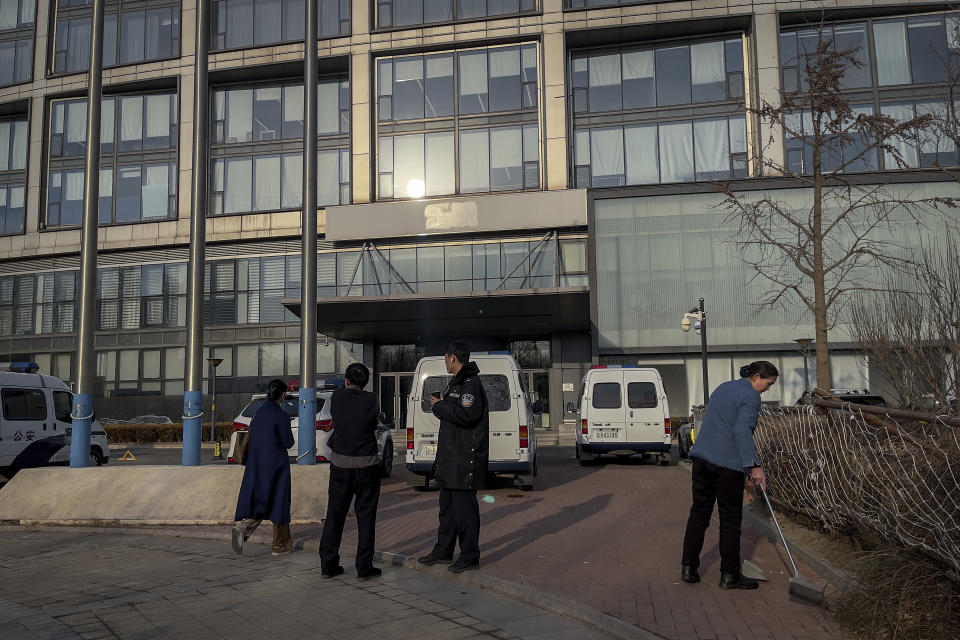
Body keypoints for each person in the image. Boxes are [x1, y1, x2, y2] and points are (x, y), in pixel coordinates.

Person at [680, 360, 778, 590]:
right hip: (728, 466)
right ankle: (729, 575)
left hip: (702, 460)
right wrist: (754, 466)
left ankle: (688, 568)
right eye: (768, 383)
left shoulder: (724, 387)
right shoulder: (752, 397)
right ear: (756, 376)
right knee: (730, 521)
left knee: (699, 514)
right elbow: (741, 430)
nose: (768, 388)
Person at [418, 341, 489, 573]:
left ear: (452, 358)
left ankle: (469, 555)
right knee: (446, 509)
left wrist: (439, 407)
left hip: (463, 460)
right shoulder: (457, 383)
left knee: (465, 512)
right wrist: (445, 402)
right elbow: (457, 412)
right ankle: (443, 550)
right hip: (451, 460)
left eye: (445, 358)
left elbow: (467, 415)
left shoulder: (471, 384)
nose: (445, 363)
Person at [318, 363, 383, 580]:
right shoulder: (371, 399)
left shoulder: (337, 397)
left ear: (346, 381)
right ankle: (364, 567)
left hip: (340, 465)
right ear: (365, 382)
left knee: (335, 515)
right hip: (367, 465)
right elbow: (373, 424)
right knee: (366, 517)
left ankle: (328, 565)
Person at [232, 378, 295, 556]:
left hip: (257, 464)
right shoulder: (281, 416)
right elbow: (288, 442)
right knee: (279, 501)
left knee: (263, 500)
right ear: (282, 395)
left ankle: (280, 542)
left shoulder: (258, 413)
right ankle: (277, 545)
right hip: (277, 465)